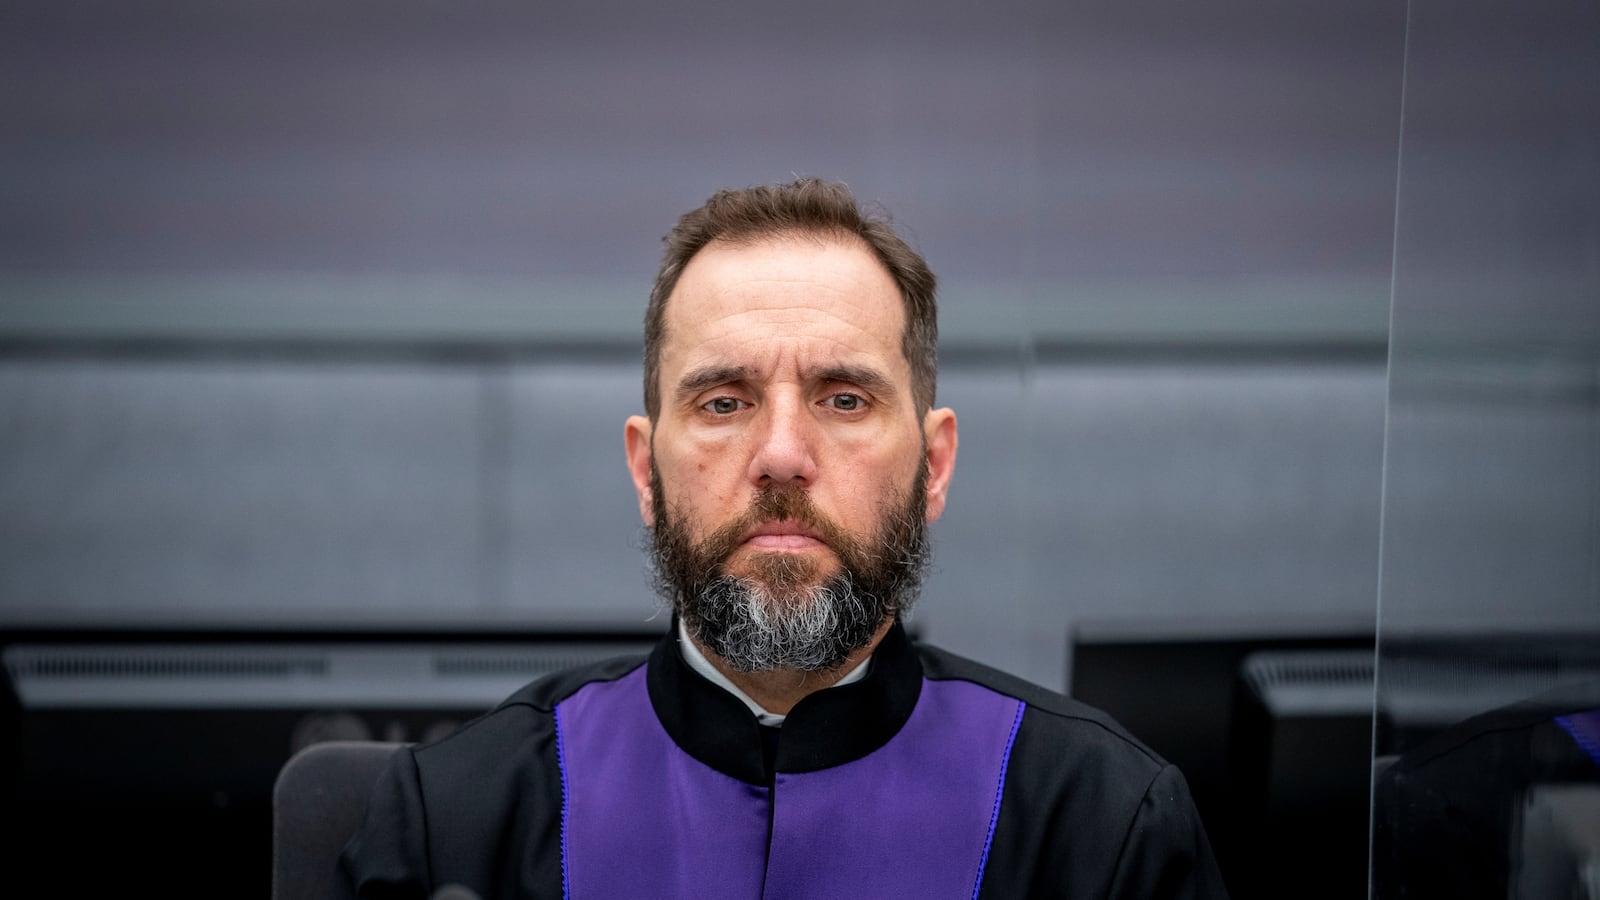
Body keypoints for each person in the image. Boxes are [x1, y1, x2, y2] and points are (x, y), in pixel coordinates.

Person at [341, 178, 1228, 899]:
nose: (780, 455)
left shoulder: (1104, 827)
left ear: (937, 465)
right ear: (647, 472)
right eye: (723, 402)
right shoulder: (455, 825)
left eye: (845, 399)